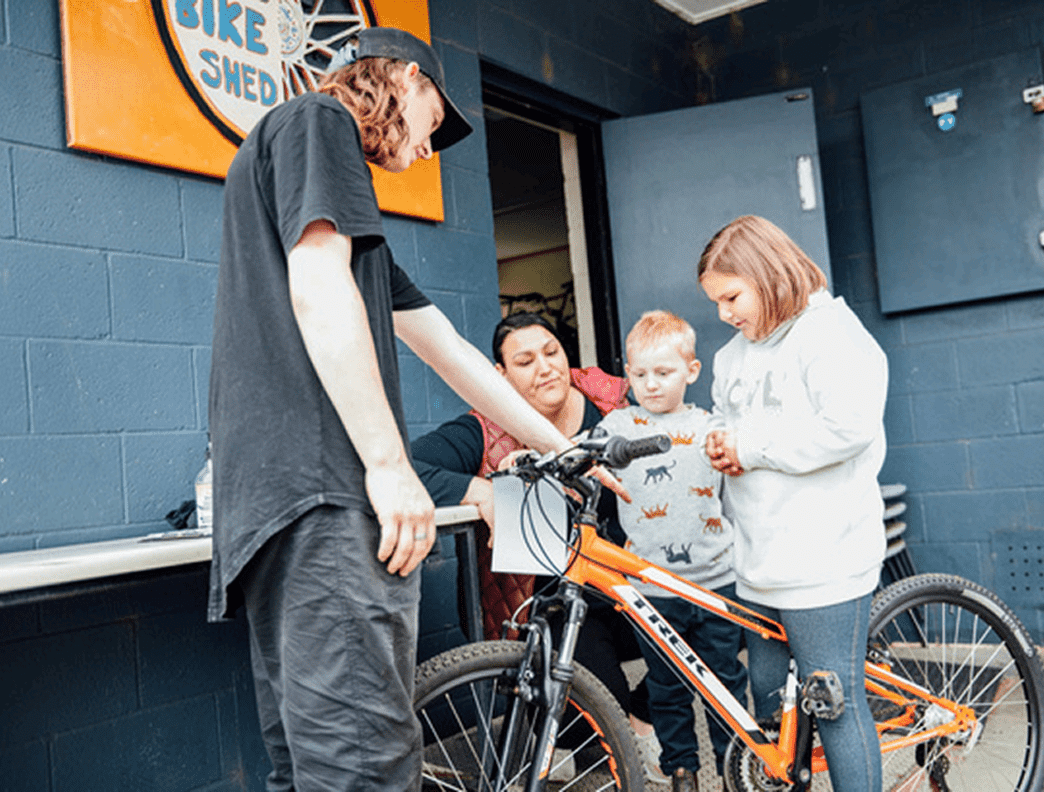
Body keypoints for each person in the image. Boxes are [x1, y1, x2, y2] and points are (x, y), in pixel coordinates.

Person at [207, 28, 609, 792]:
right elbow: (317, 284)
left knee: (312, 767)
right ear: (403, 78)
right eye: (435, 122)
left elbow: (450, 351)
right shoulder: (317, 121)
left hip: (276, 509)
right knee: (366, 768)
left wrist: (561, 447)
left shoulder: (352, 232)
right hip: (326, 499)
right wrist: (391, 467)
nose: (428, 149)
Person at [411, 312, 662, 780]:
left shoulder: (614, 405)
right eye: (525, 361)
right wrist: (480, 490)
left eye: (551, 352)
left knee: (710, 624)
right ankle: (574, 738)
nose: (545, 367)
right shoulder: (483, 429)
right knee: (596, 708)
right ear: (500, 375)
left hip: (630, 579)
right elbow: (408, 467)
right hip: (553, 602)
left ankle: (642, 720)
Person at [698, 215, 888, 792]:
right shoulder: (731, 357)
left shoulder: (830, 333)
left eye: (732, 297)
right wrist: (720, 442)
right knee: (770, 706)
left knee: (833, 705)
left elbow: (848, 428)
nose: (724, 314)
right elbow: (730, 422)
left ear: (768, 275)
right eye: (716, 302)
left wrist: (750, 447)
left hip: (823, 560)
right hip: (759, 563)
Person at [596, 310, 748, 792]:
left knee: (725, 683)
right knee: (666, 688)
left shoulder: (710, 427)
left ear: (691, 370)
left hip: (715, 584)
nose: (651, 384)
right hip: (652, 589)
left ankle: (734, 769)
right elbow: (575, 450)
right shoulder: (617, 425)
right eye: (640, 374)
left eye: (663, 372)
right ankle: (682, 770)